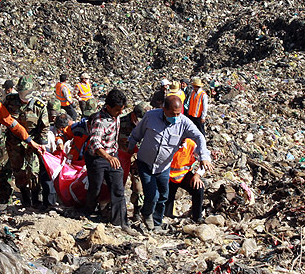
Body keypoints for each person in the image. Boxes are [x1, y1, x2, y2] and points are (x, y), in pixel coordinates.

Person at [128, 96, 213, 231]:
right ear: (163, 109)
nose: (175, 117)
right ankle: (146, 213)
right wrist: (129, 152)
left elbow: (199, 137)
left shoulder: (184, 122)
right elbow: (136, 134)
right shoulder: (151, 116)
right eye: (172, 114)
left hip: (164, 166)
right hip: (145, 163)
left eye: (178, 114)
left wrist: (204, 156)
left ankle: (157, 222)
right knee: (152, 194)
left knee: (163, 195)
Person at [4, 76, 55, 208]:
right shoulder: (10, 100)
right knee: (19, 171)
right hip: (14, 143)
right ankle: (25, 198)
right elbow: (1, 117)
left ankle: (36, 199)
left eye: (26, 93)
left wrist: (42, 144)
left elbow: (44, 127)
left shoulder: (39, 106)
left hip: (33, 143)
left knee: (33, 171)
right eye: (21, 92)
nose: (24, 96)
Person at [84, 89, 132, 232]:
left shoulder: (116, 115)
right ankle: (88, 212)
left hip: (112, 155)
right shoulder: (99, 121)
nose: (119, 113)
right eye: (117, 110)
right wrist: (108, 157)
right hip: (97, 158)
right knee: (95, 187)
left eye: (121, 110)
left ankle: (120, 223)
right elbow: (95, 144)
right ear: (109, 107)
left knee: (118, 188)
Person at [118, 102, 151, 221]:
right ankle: (113, 210)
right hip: (121, 157)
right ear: (133, 115)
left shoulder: (150, 124)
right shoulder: (121, 122)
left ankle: (137, 212)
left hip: (138, 158)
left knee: (138, 187)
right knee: (117, 184)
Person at [166, 138, 206, 222]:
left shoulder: (191, 144)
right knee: (167, 198)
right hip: (167, 176)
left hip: (184, 175)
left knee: (198, 188)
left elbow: (205, 158)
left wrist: (197, 176)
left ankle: (197, 217)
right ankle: (167, 215)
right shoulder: (167, 142)